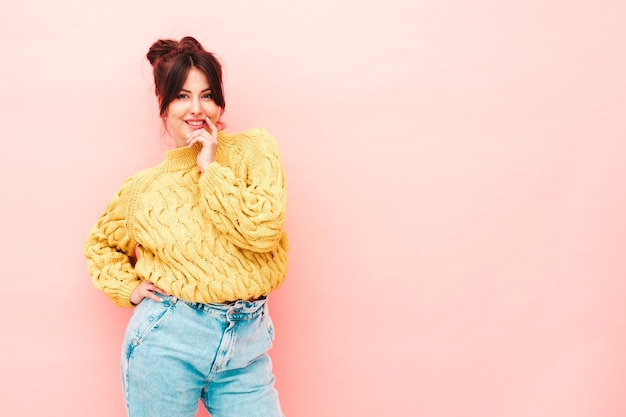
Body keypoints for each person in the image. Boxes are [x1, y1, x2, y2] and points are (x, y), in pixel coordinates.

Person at [83, 36, 289, 417]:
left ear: (219, 102)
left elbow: (262, 230)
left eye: (206, 95)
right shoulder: (144, 190)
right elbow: (100, 246)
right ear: (164, 105)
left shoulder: (255, 151)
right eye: (181, 96)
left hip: (247, 347)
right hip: (166, 344)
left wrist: (210, 168)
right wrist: (128, 288)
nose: (196, 108)